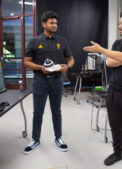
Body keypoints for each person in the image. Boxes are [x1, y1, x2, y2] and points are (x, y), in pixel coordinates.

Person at [83, 10, 122, 169]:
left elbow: (121, 58)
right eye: (119, 23)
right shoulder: (117, 44)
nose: (120, 26)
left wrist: (103, 51)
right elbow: (110, 63)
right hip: (113, 90)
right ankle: (117, 153)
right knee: (115, 125)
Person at [23, 11, 74, 154]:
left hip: (57, 81)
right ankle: (35, 139)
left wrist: (67, 66)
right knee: (37, 112)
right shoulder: (34, 42)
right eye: (52, 23)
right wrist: (40, 68)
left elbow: (71, 59)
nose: (55, 25)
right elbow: (26, 62)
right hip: (40, 80)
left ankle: (58, 138)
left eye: (56, 23)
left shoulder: (62, 41)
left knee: (56, 111)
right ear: (44, 24)